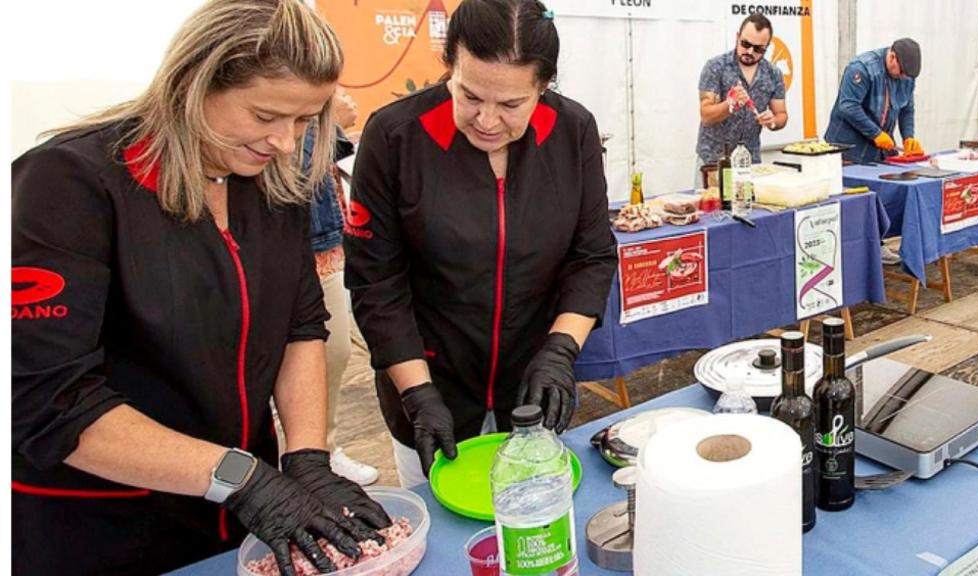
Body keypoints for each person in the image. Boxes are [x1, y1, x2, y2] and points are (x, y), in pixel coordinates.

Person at [12, 1, 390, 574]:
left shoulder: (267, 183)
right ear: (193, 83)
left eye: (304, 120)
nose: (286, 143)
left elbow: (300, 328)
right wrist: (244, 480)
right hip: (108, 522)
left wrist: (306, 457)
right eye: (265, 116)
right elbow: (52, 404)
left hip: (233, 516)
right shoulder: (70, 184)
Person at [344, 0, 618, 488]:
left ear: (543, 86)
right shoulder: (394, 138)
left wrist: (560, 350)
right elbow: (376, 282)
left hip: (533, 387)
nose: (487, 120)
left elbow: (591, 255)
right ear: (449, 64)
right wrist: (417, 395)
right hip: (429, 386)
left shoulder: (573, 132)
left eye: (511, 104)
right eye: (469, 95)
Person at [304, 89, 380, 485]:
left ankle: (324, 451)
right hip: (297, 246)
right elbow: (299, 167)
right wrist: (330, 125)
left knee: (331, 353)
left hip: (325, 246)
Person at [825, 38, 922, 265]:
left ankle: (876, 245)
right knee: (851, 202)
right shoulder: (861, 69)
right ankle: (848, 257)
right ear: (891, 57)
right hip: (847, 149)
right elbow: (848, 106)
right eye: (901, 73)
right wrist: (875, 133)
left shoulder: (906, 77)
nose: (903, 78)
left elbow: (907, 108)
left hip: (877, 152)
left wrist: (908, 136)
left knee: (877, 197)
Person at [696, 13, 788, 180]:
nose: (750, 51)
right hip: (714, 161)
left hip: (751, 161)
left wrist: (772, 121)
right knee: (713, 206)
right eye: (745, 44)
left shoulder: (773, 73)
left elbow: (781, 115)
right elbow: (706, 115)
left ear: (767, 47)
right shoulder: (716, 67)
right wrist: (730, 104)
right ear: (737, 37)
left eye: (758, 49)